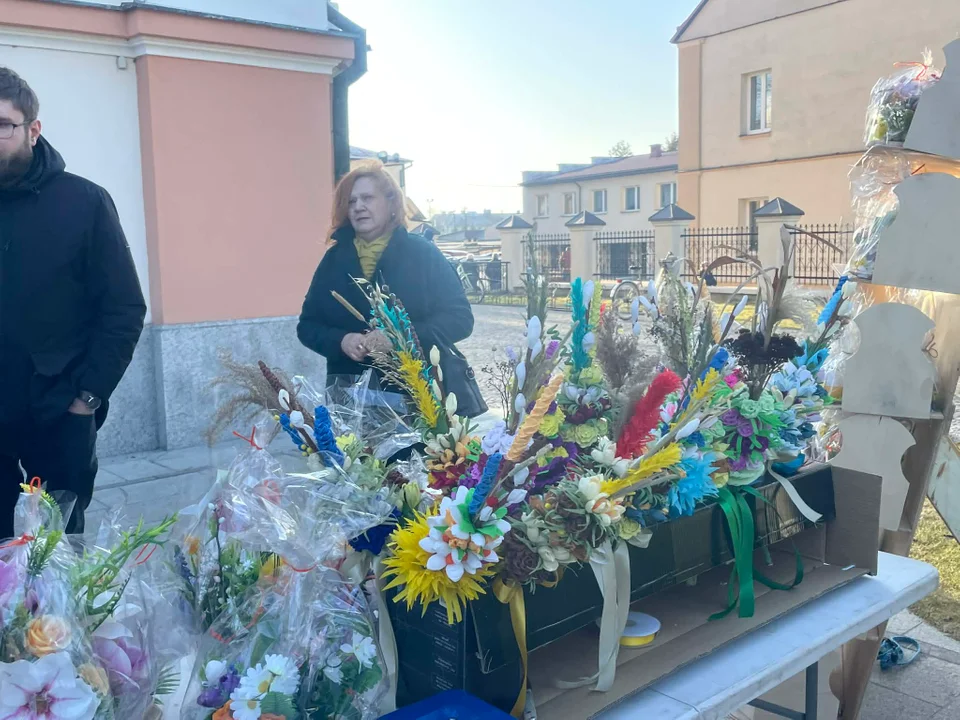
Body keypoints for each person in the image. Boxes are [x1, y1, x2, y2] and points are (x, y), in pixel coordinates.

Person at [0, 68, 146, 537]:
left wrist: (87, 398)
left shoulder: (84, 202)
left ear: (33, 129)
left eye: (3, 125)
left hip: (59, 413)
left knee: (58, 550)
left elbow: (124, 308)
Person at [297, 162, 476, 402]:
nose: (358, 206)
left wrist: (399, 339)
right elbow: (308, 326)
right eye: (351, 201)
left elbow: (460, 319)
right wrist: (341, 341)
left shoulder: (422, 253)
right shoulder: (334, 260)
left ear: (391, 203)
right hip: (350, 400)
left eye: (367, 198)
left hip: (420, 399)